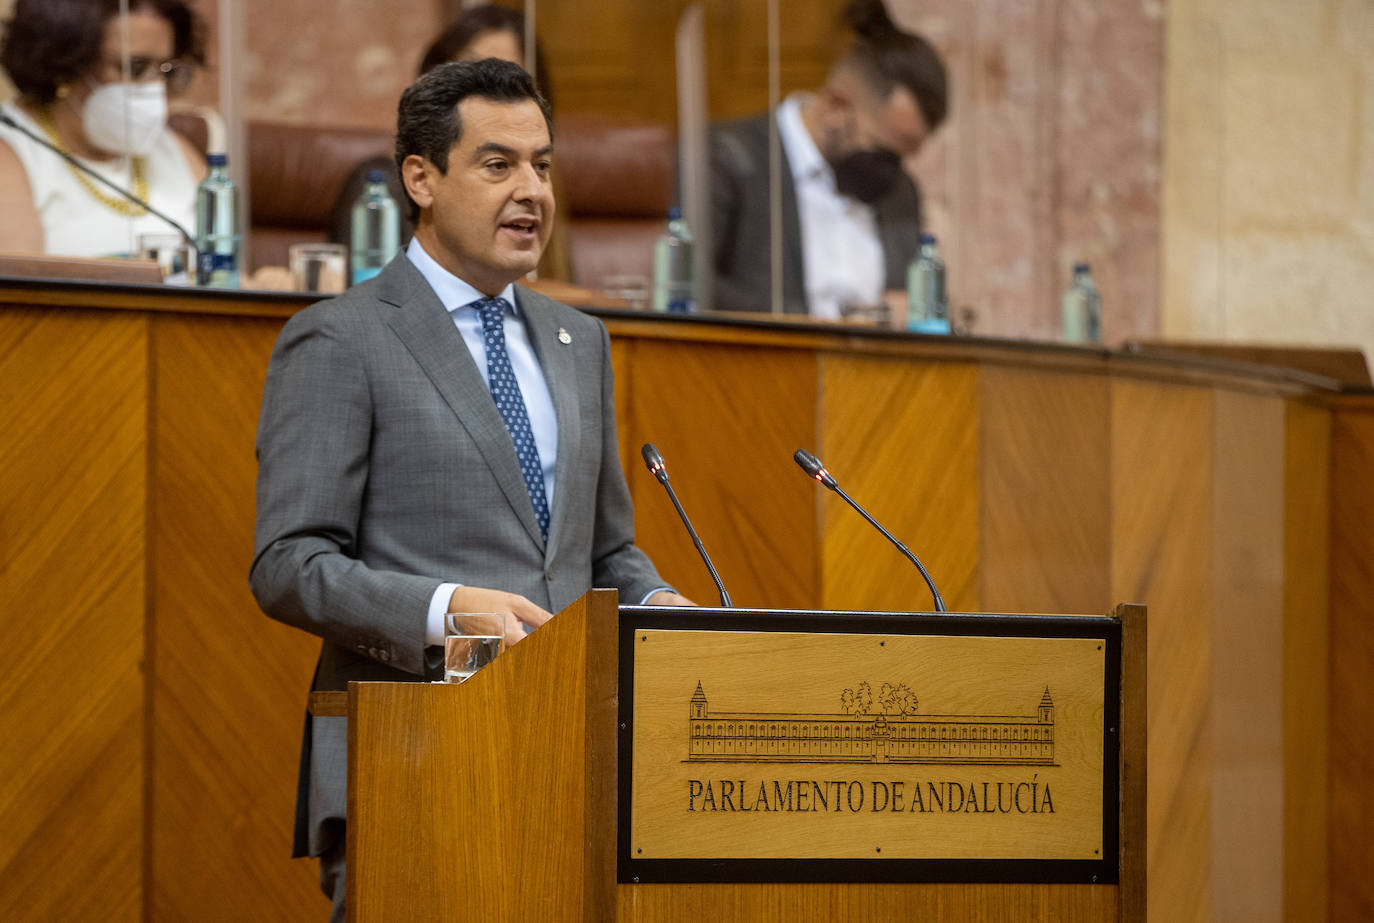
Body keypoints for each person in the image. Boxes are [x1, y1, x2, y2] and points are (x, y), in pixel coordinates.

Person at [250, 58, 691, 920]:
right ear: (421, 177)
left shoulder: (579, 340)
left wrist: (657, 597)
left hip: (578, 751)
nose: (531, 190)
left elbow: (601, 547)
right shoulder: (339, 339)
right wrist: (447, 607)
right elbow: (288, 563)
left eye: (544, 165)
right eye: (498, 165)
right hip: (417, 755)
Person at [709, 0, 947, 318]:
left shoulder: (899, 191)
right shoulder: (728, 158)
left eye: (904, 155)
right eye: (882, 148)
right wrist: (830, 320)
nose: (893, 168)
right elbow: (693, 286)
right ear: (836, 106)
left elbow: (915, 302)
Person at [327, 3, 572, 281]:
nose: (530, 190)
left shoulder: (539, 187)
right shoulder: (379, 184)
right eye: (497, 166)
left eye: (509, 81)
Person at [0, 0, 207, 256]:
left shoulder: (174, 151)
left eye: (167, 71)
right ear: (64, 65)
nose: (156, 87)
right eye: (135, 68)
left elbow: (229, 272)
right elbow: (19, 290)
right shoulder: (12, 151)